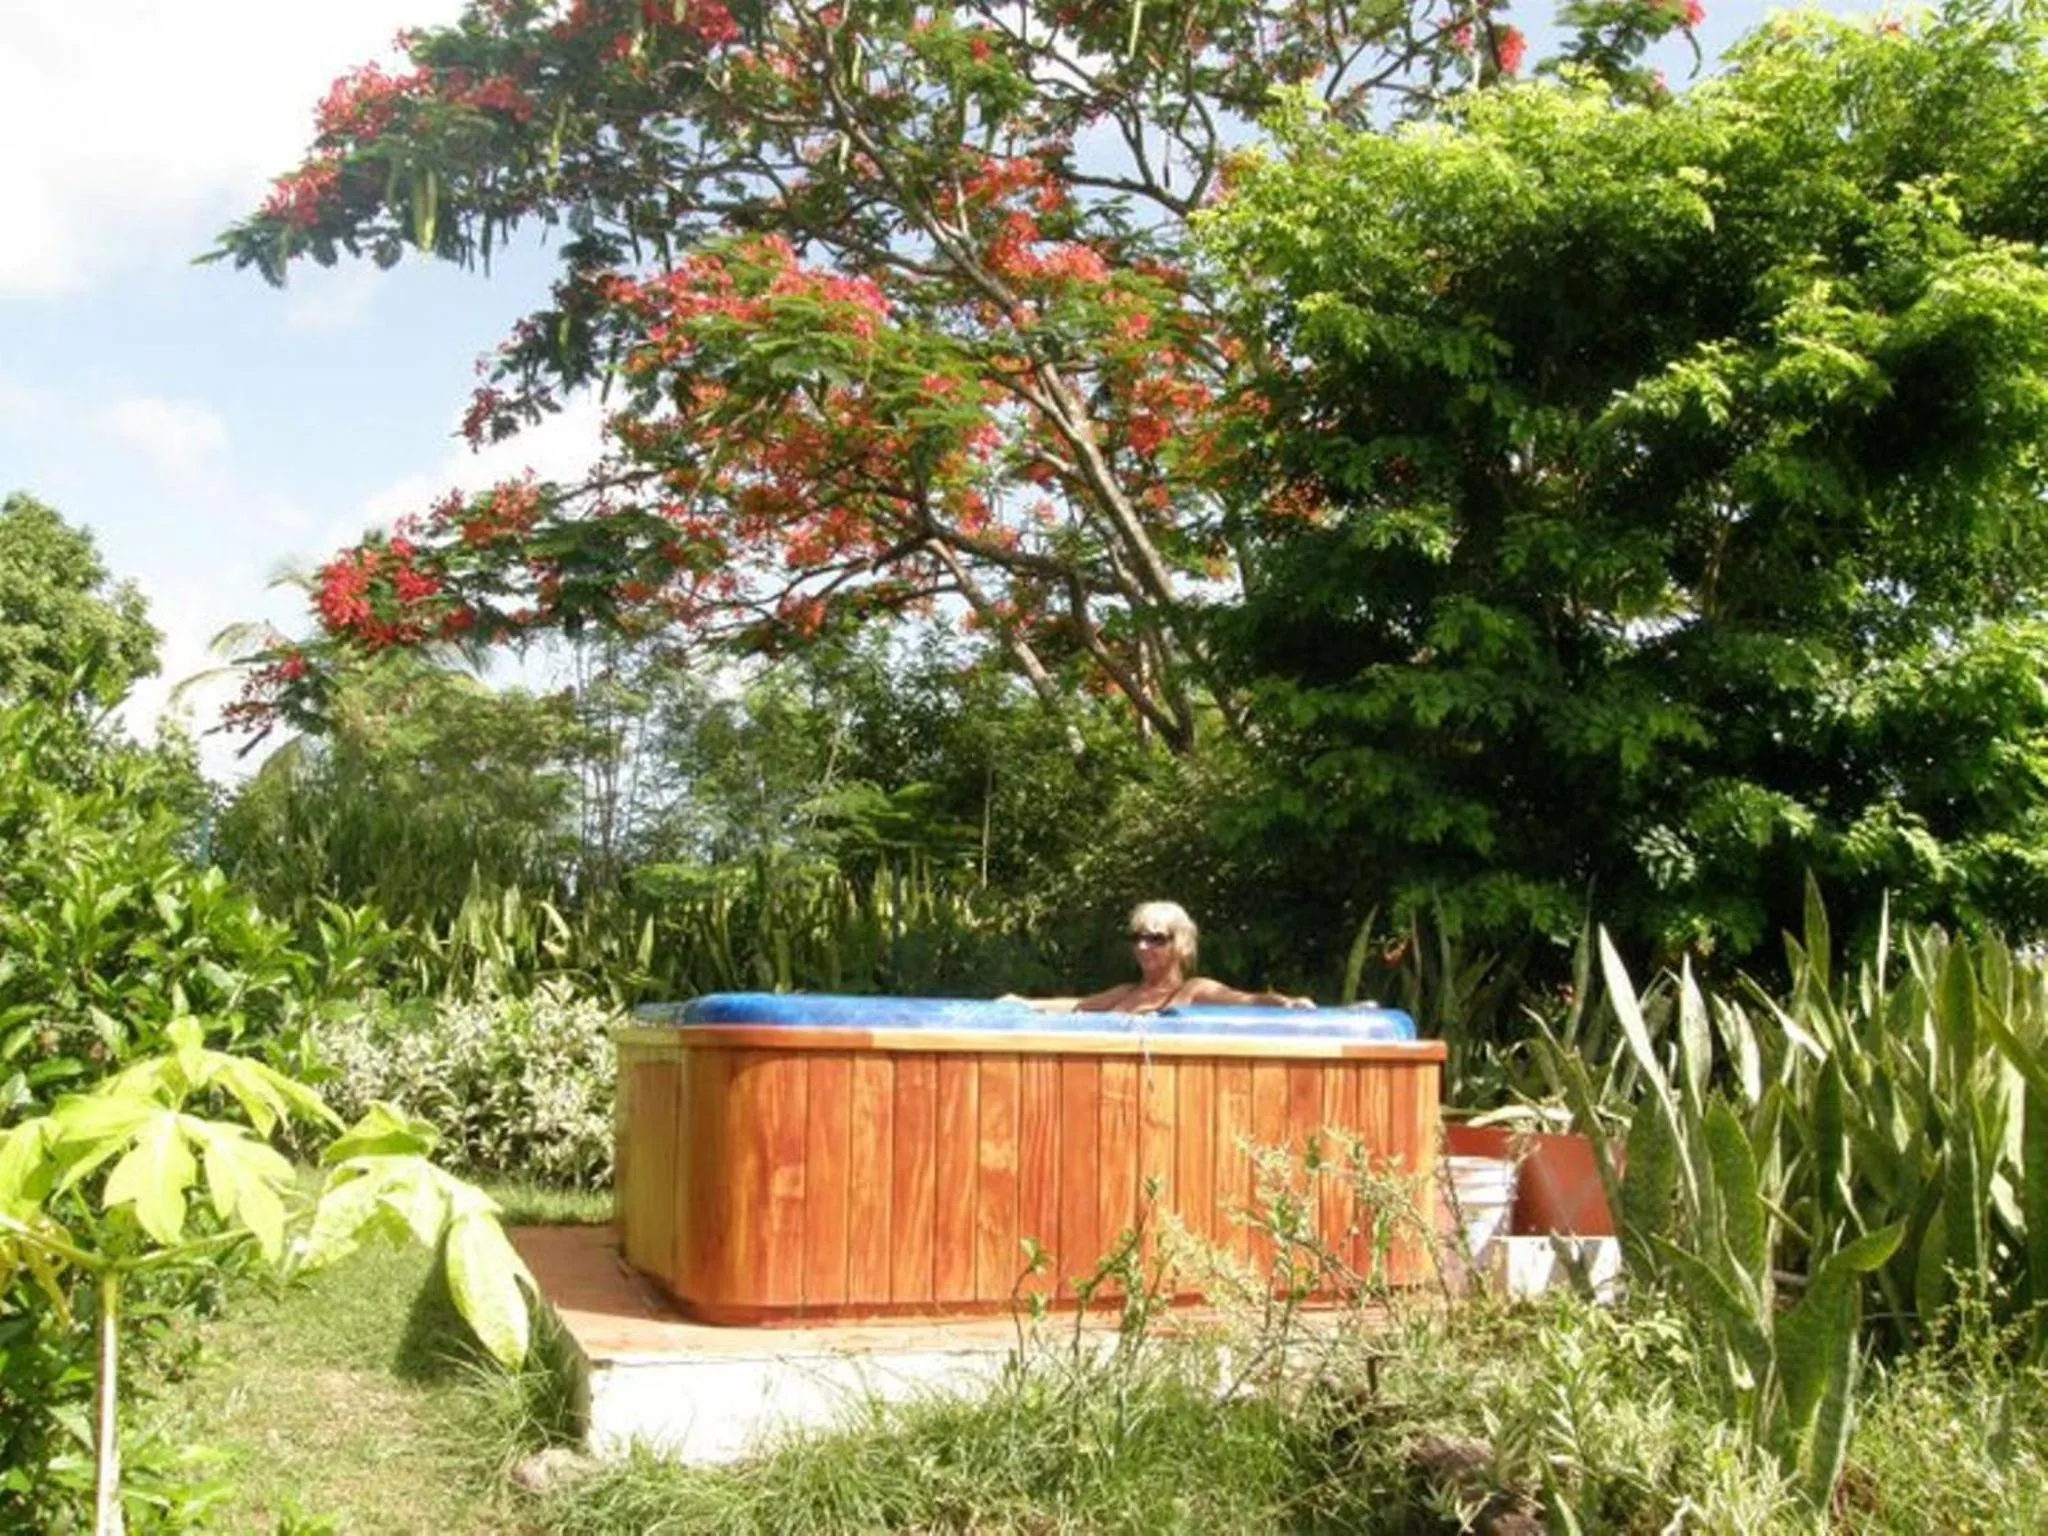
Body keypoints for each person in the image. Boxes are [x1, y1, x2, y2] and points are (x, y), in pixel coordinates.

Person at [1004, 900, 1314, 1014]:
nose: (1142, 946)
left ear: (1180, 945)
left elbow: (1247, 1001)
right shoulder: (1126, 993)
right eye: (1137, 937)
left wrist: (1287, 1003)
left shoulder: (1192, 991)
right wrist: (1026, 1004)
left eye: (1155, 939)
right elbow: (1076, 1005)